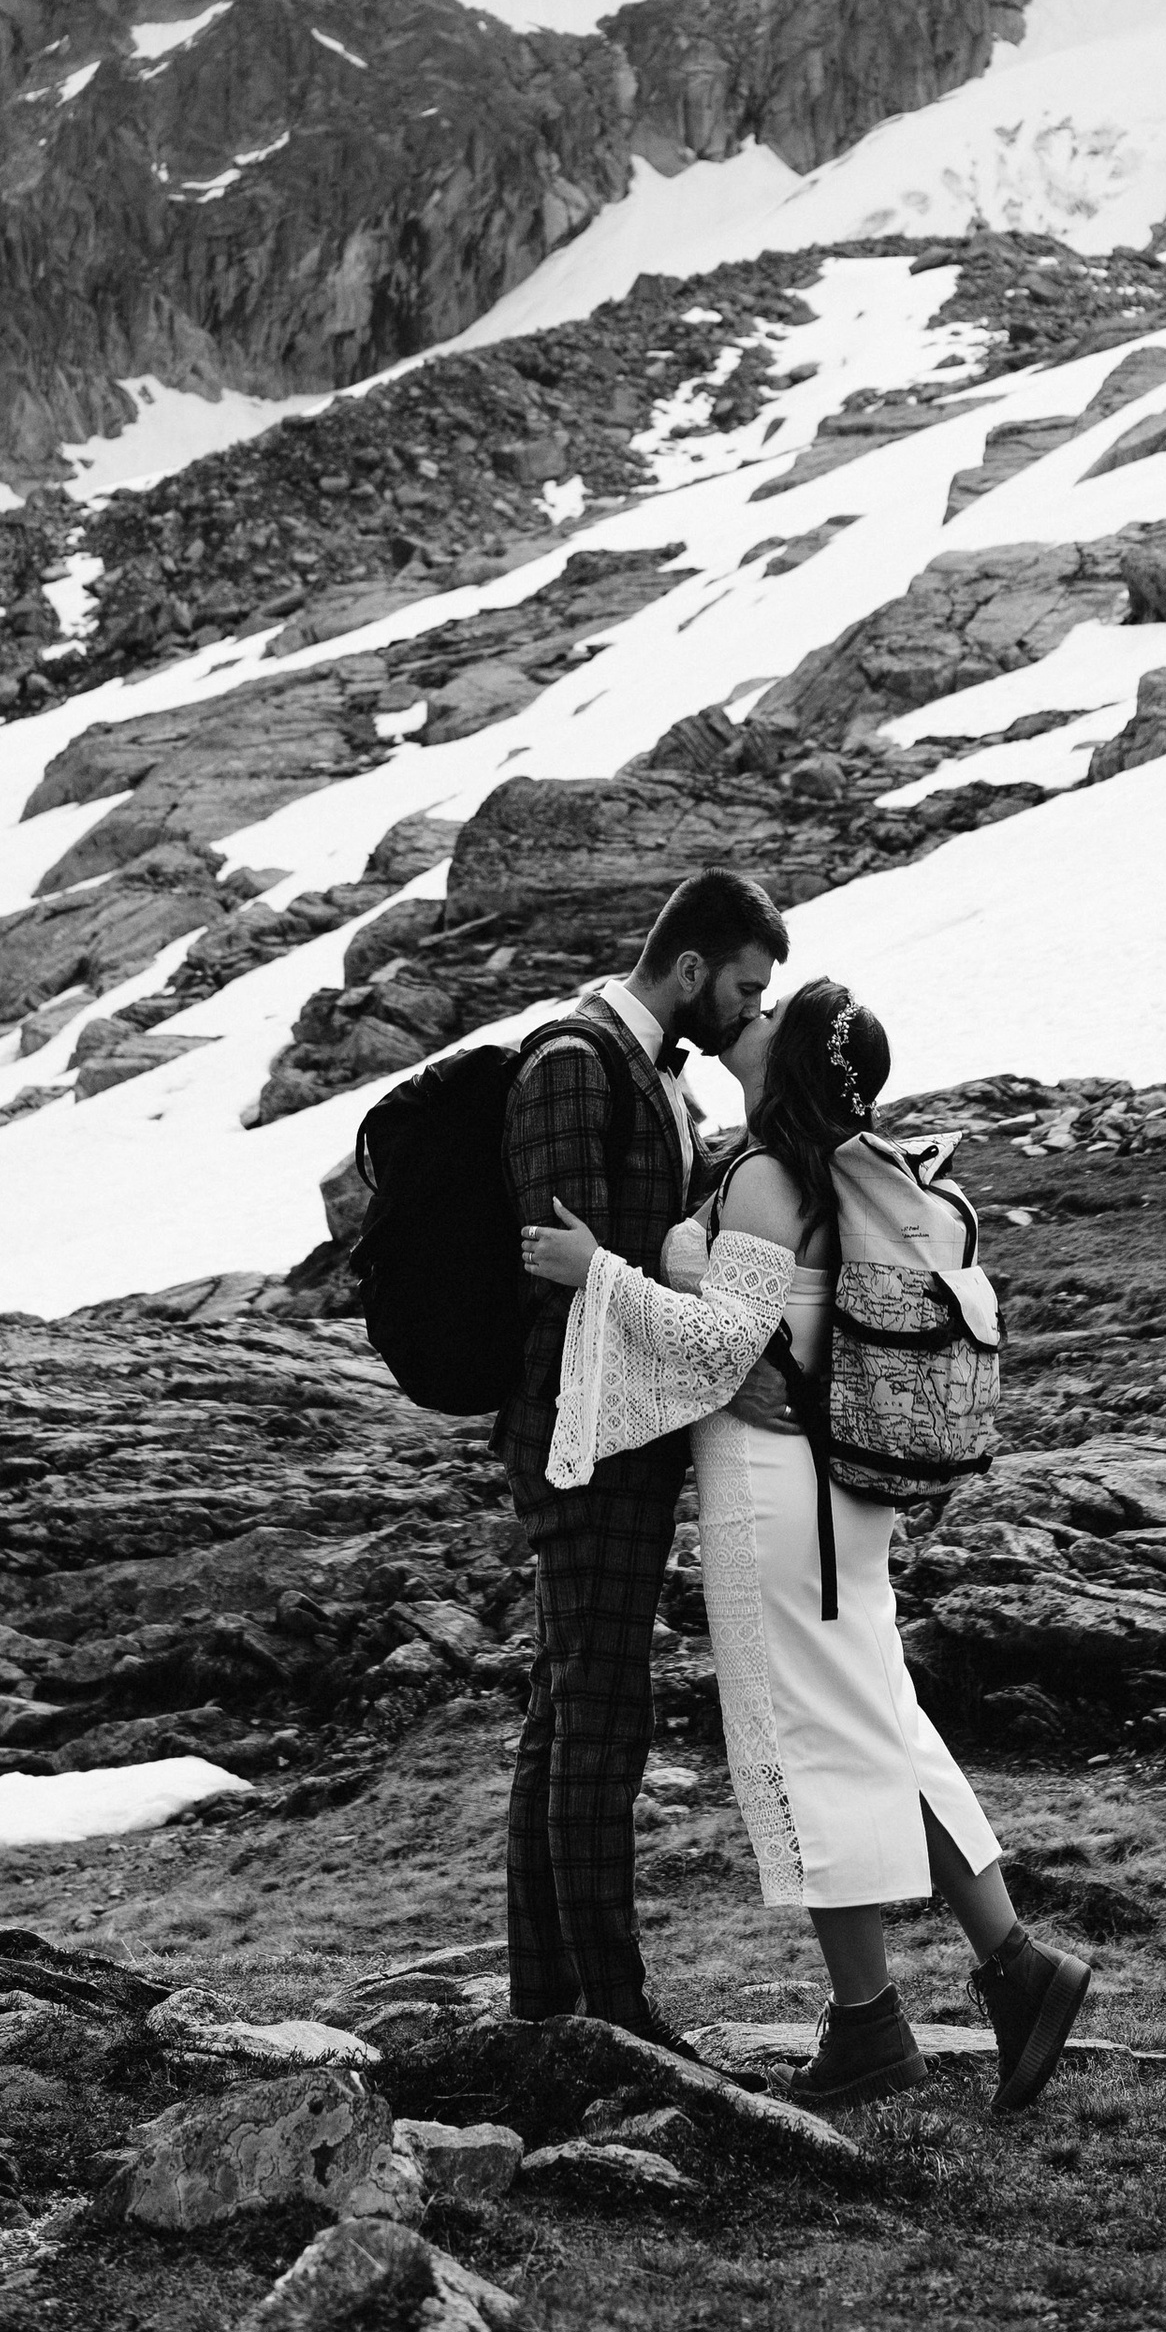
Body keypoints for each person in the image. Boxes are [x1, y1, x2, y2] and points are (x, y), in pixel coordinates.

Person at [523, 976, 1093, 2118]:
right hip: (835, 1500)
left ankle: (872, 2025)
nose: (756, 1014)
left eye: (776, 1017)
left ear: (789, 1067)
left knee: (808, 1745)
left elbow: (723, 1342)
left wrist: (601, 1275)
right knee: (881, 1729)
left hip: (778, 1503)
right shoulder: (834, 1169)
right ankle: (1014, 1970)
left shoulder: (769, 1181)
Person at [496, 866, 789, 2043]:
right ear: (688, 970)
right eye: (745, 986)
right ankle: (611, 2015)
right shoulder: (576, 1062)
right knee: (600, 1725)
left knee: (567, 1714)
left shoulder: (654, 1081)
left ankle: (547, 2003)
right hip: (582, 1442)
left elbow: (631, 1266)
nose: (751, 1007)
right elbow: (563, 1274)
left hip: (624, 1437)